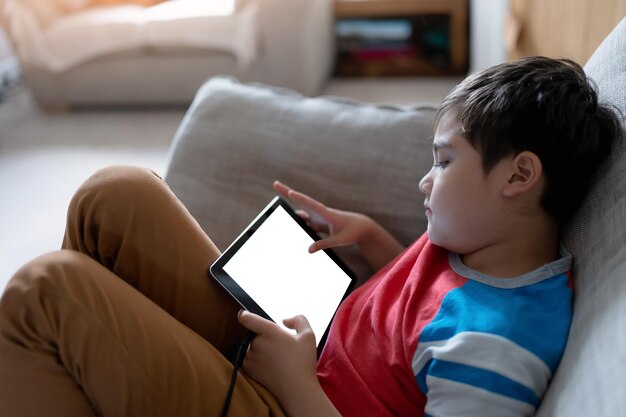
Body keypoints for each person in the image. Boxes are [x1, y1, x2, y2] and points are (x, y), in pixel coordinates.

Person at [0, 57, 621, 417]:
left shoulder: (496, 348)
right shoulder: (485, 239)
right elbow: (418, 311)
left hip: (288, 403)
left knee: (47, 291)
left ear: (519, 175)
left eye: (444, 161)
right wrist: (372, 238)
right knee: (117, 194)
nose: (425, 181)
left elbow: (445, 328)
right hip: (300, 350)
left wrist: (296, 386)